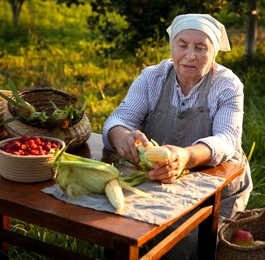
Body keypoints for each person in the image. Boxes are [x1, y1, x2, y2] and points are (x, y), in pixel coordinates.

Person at [102, 13, 252, 259]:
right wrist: (122, 138)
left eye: (201, 48)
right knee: (118, 232)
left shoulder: (227, 85)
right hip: (160, 178)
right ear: (172, 47)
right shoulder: (153, 77)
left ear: (214, 53)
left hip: (214, 185)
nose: (190, 55)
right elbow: (119, 120)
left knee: (190, 241)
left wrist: (186, 156)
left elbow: (227, 139)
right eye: (182, 45)